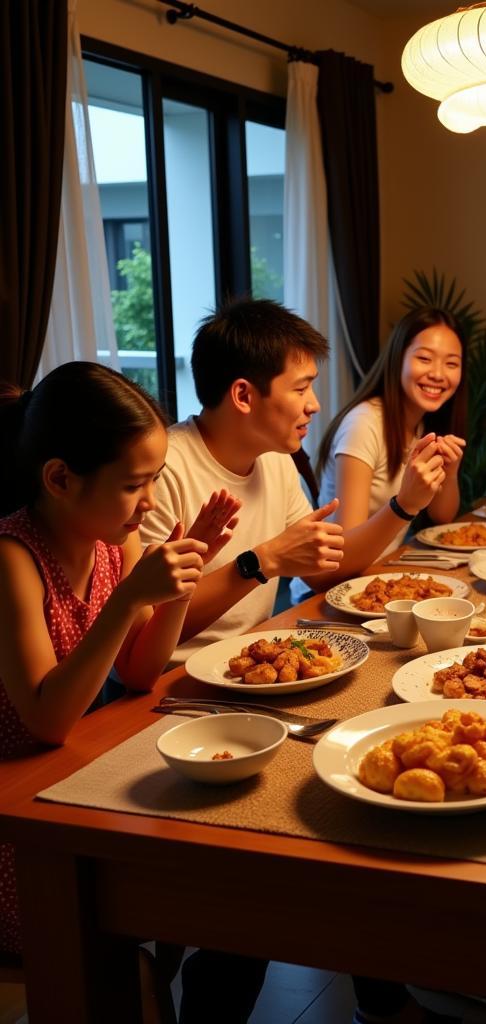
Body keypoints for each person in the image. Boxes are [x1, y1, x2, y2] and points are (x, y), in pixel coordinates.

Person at [0, 363, 267, 1021]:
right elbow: (45, 719)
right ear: (60, 479)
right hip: (20, 824)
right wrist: (126, 602)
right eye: (134, 484)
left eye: (153, 480)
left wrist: (182, 577)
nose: (150, 502)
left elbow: (143, 671)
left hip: (79, 778)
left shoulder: (113, 541)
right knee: (130, 946)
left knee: (240, 887)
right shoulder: (13, 557)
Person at [141, 298, 347, 665]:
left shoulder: (276, 458)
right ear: (243, 395)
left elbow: (318, 571)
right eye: (301, 389)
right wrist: (262, 562)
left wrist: (404, 505)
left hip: (254, 661)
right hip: (170, 680)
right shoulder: (160, 471)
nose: (313, 404)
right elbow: (143, 634)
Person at [310, 307, 466, 581]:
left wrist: (450, 474)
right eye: (425, 358)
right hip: (330, 587)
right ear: (398, 358)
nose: (439, 374)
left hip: (382, 573)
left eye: (451, 363)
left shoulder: (422, 424)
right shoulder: (364, 424)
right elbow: (344, 549)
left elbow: (442, 517)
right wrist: (404, 504)